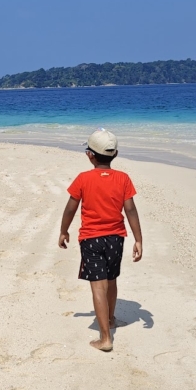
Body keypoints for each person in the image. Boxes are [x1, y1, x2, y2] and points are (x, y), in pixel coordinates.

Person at [58, 128, 144, 353]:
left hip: (91, 239)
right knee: (111, 280)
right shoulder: (123, 178)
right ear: (115, 154)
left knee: (98, 286)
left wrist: (63, 231)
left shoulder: (83, 179)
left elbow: (70, 207)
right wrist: (138, 239)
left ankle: (105, 338)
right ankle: (111, 318)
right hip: (116, 238)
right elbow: (131, 210)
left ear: (90, 155)